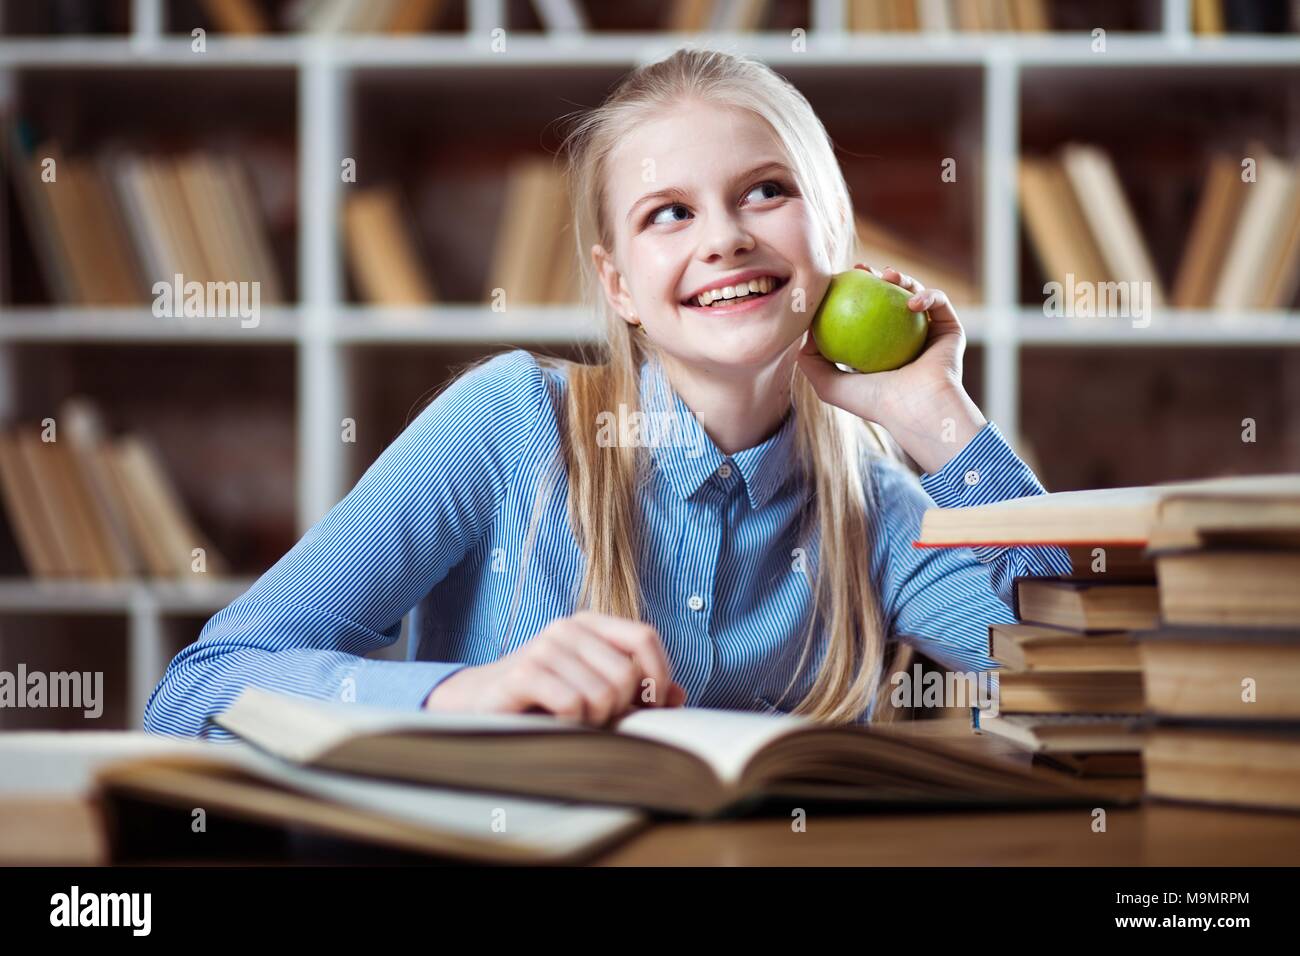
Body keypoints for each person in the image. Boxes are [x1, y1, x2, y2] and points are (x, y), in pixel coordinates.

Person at [144, 46, 1068, 740]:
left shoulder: (871, 508)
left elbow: (1087, 686)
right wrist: (465, 695)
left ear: (835, 238)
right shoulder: (509, 423)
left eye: (765, 192)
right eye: (669, 213)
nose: (724, 240)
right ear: (618, 283)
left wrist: (938, 417)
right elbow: (196, 691)